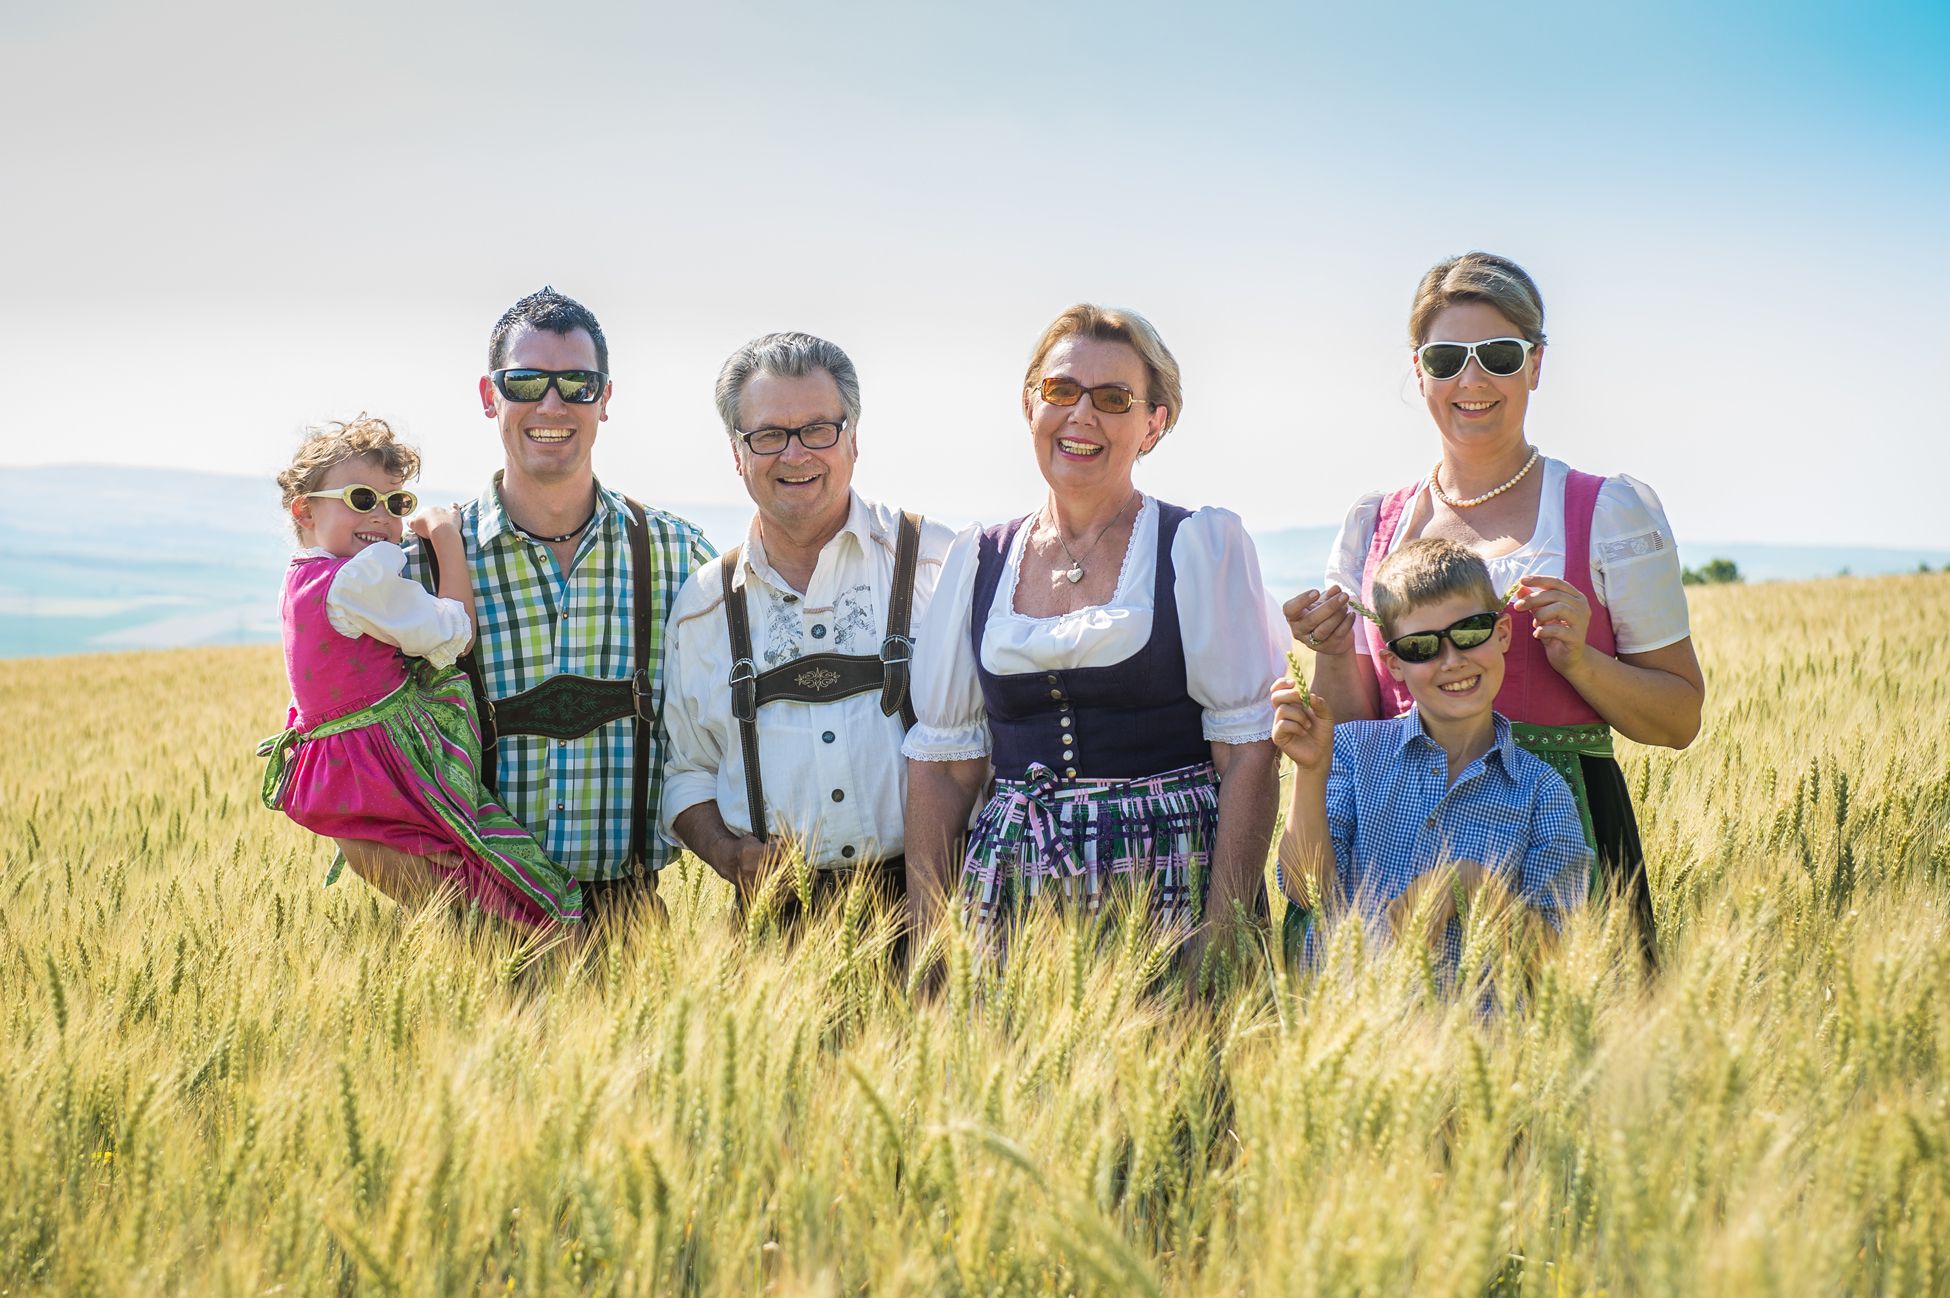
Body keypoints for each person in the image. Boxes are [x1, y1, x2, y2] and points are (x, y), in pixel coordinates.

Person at [1287, 252, 1703, 967]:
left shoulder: (1609, 512)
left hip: (1560, 825)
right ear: (1419, 370)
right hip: (1394, 833)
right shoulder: (1373, 525)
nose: (1471, 380)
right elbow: (1353, 733)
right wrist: (1329, 651)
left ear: (1536, 365)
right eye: (1447, 357)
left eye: (1500, 355)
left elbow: (1679, 718)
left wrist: (1580, 661)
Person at [903, 304, 1283, 961]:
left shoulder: (1197, 546)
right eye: (1061, 390)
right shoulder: (977, 559)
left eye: (1114, 398)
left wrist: (1223, 940)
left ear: (1153, 424)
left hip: (1170, 884)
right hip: (1011, 894)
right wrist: (930, 947)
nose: (1082, 416)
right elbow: (944, 771)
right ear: (1030, 405)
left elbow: (1248, 756)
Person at [409, 287, 714, 929]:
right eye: (525, 382)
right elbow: (354, 765)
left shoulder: (677, 555)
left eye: (577, 384)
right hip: (475, 926)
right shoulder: (423, 572)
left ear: (606, 400)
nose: (552, 404)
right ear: (489, 396)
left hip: (632, 929)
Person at [661, 333, 954, 917]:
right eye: (768, 435)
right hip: (777, 930)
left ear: (853, 440)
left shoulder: (937, 565)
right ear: (736, 453)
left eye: (819, 429)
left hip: (937, 907)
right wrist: (724, 852)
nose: (795, 455)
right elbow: (688, 772)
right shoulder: (703, 607)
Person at [259, 416, 583, 925]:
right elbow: (454, 633)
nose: (383, 518)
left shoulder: (302, 578)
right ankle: (544, 940)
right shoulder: (356, 581)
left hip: (346, 762)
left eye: (397, 504)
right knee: (475, 854)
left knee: (441, 872)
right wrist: (445, 537)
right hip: (396, 755)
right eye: (362, 499)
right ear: (304, 510)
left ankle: (506, 957)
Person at [1273, 538, 1589, 973]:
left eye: (1470, 632)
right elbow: (1306, 891)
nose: (1452, 660)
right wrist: (1309, 772)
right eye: (1422, 647)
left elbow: (1560, 960)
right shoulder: (1349, 751)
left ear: (1502, 634)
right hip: (1354, 1019)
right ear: (1395, 664)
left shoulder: (1542, 793)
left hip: (1477, 1034)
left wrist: (1475, 887)